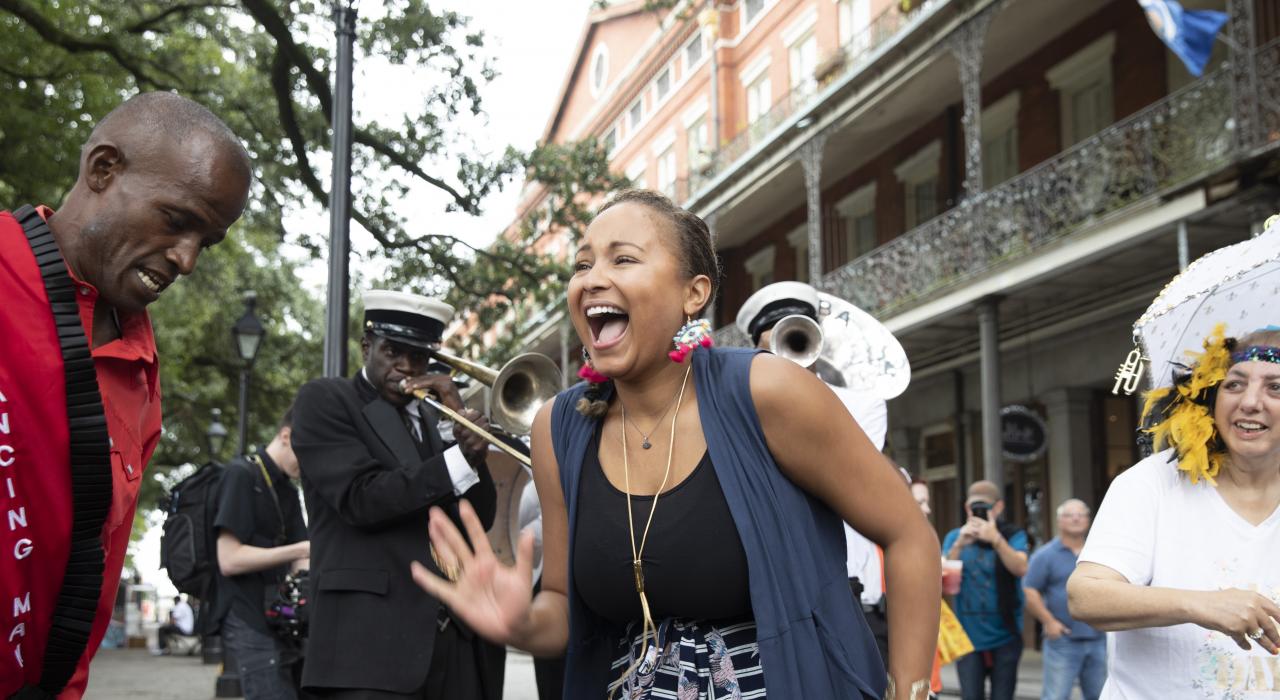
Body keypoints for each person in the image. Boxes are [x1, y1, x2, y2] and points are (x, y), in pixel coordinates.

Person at [412, 189, 942, 699]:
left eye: (623, 260)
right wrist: (521, 623)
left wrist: (908, 694)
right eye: (581, 265)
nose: (593, 279)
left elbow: (908, 536)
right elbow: (561, 608)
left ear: (695, 293)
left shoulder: (768, 390)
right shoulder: (558, 428)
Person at [0, 92, 251, 699]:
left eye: (207, 241)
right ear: (103, 169)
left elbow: (95, 564)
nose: (187, 261)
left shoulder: (141, 367)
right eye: (176, 220)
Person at [291, 290, 502, 699]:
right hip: (370, 649)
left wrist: (458, 434)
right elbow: (361, 498)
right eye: (392, 351)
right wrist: (456, 460)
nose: (406, 367)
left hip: (455, 644)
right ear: (367, 346)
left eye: (419, 357)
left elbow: (481, 519)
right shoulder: (326, 400)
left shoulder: (433, 417)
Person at [1068, 325, 1280, 699]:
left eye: (1275, 387)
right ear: (1208, 397)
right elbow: (1085, 596)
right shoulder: (1153, 483)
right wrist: (1202, 604)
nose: (1250, 402)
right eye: (1234, 384)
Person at [735, 280, 893, 666]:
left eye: (796, 339)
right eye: (774, 346)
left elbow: (841, 477)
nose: (788, 356)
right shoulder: (738, 405)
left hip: (842, 587)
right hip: (762, 590)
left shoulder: (863, 403)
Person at [212, 407, 310, 699]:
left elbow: (302, 560)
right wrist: (300, 549)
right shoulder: (241, 474)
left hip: (280, 616)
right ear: (285, 436)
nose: (309, 466)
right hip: (246, 615)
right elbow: (228, 560)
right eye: (306, 454)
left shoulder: (289, 491)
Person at [942, 480, 1029, 700]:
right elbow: (946, 584)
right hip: (967, 636)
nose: (978, 512)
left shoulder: (1012, 535)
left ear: (998, 507)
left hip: (1005, 633)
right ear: (966, 509)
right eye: (974, 507)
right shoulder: (955, 537)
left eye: (985, 507)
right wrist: (960, 544)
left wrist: (996, 540)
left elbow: (1021, 568)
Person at [1023, 499, 1104, 700]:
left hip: (1099, 638)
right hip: (1063, 640)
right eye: (1069, 514)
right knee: (1056, 696)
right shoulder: (1045, 555)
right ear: (1059, 521)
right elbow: (1029, 589)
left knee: (1102, 695)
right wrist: (1049, 622)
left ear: (1088, 520)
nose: (1076, 518)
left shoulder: (1099, 553)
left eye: (1081, 514)